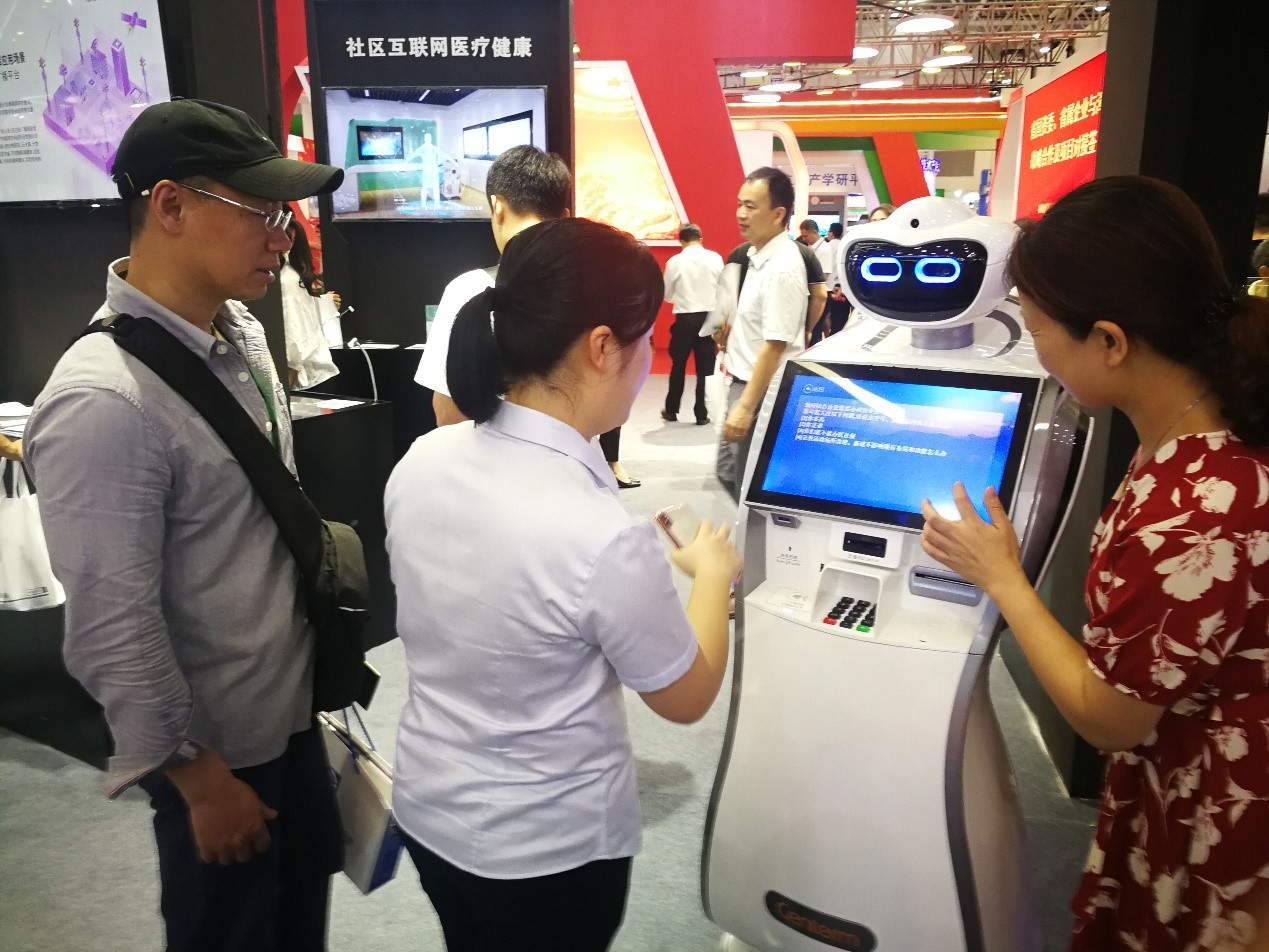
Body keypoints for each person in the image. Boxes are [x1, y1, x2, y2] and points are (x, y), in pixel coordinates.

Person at [24, 99, 346, 952]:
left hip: (288, 716)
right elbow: (110, 629)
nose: (282, 239)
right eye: (261, 213)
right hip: (218, 754)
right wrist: (198, 780)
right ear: (169, 205)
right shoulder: (102, 401)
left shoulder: (239, 332)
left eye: (286, 217)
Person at [919, 176, 1269, 952]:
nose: (1036, 353)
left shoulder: (1195, 504)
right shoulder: (1198, 431)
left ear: (1109, 341)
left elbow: (1109, 716)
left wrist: (1002, 579)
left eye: (1036, 329)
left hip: (1223, 803)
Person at [384, 217, 742, 951]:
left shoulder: (423, 458)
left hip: (427, 807)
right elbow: (685, 697)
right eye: (645, 340)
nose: (646, 361)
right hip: (544, 853)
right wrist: (711, 577)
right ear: (603, 347)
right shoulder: (600, 533)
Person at [414, 145, 569, 427]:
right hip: (576, 452)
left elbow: (448, 413)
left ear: (496, 206)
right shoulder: (593, 287)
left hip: (489, 453)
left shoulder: (468, 289)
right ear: (566, 216)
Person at [713, 167, 809, 501]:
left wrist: (745, 407)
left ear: (778, 214)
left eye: (751, 206)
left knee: (747, 485)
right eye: (740, 204)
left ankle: (748, 537)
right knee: (728, 472)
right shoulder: (757, 256)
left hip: (760, 389)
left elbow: (775, 344)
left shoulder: (783, 268)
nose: (740, 213)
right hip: (742, 381)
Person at [661, 223, 723, 425]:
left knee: (678, 365)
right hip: (709, 317)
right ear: (700, 238)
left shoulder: (674, 261)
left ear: (681, 241)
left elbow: (666, 293)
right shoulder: (715, 258)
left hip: (685, 318)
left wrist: (679, 299)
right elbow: (723, 289)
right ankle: (702, 414)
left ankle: (672, 410)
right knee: (705, 368)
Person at [280, 209, 339, 390]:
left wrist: (284, 391)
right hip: (311, 374)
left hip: (304, 378)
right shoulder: (291, 275)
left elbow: (294, 338)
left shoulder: (286, 279)